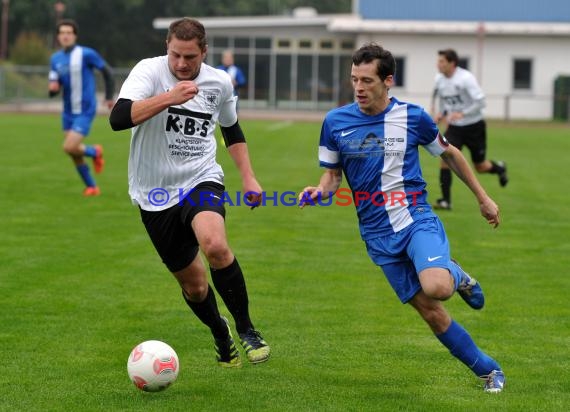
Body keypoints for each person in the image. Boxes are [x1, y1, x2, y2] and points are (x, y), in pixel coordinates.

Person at [298, 43, 505, 393]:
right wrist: (319, 191)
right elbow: (332, 178)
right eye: (354, 80)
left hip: (415, 219)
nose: (359, 88)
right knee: (431, 312)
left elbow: (450, 154)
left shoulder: (412, 117)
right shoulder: (335, 122)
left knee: (437, 287)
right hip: (377, 235)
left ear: (388, 80)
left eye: (366, 80)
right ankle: (489, 371)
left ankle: (455, 273)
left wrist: (482, 198)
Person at [109, 17, 269, 367]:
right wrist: (169, 97)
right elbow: (118, 118)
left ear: (204, 53)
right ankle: (220, 331)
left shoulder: (219, 82)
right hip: (153, 193)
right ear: (167, 48)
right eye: (175, 56)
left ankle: (247, 329)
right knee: (195, 288)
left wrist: (249, 177)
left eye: (190, 58)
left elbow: (232, 128)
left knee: (215, 245)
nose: (182, 64)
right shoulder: (149, 72)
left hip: (200, 178)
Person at [430, 48, 508, 210]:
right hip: (455, 128)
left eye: (442, 61)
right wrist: (441, 113)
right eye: (438, 61)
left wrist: (463, 113)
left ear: (452, 63)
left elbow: (481, 102)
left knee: (480, 166)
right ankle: (445, 201)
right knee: (445, 157)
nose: (438, 64)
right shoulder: (439, 79)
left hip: (474, 126)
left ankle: (499, 168)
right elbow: (444, 100)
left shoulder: (466, 78)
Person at [48, 19, 114, 196]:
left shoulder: (86, 54)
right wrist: (53, 89)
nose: (65, 36)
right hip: (68, 112)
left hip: (85, 109)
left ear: (75, 35)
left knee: (69, 147)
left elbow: (107, 72)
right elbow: (53, 86)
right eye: (62, 33)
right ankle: (92, 187)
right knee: (74, 152)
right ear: (58, 37)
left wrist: (108, 96)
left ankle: (94, 151)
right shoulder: (55, 59)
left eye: (69, 32)